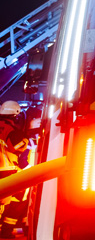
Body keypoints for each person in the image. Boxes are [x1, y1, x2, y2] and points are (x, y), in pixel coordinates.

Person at [0, 101, 29, 239]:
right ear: (16, 116)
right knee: (16, 200)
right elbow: (16, 146)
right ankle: (5, 232)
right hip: (7, 171)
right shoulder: (9, 129)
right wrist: (27, 140)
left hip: (4, 170)